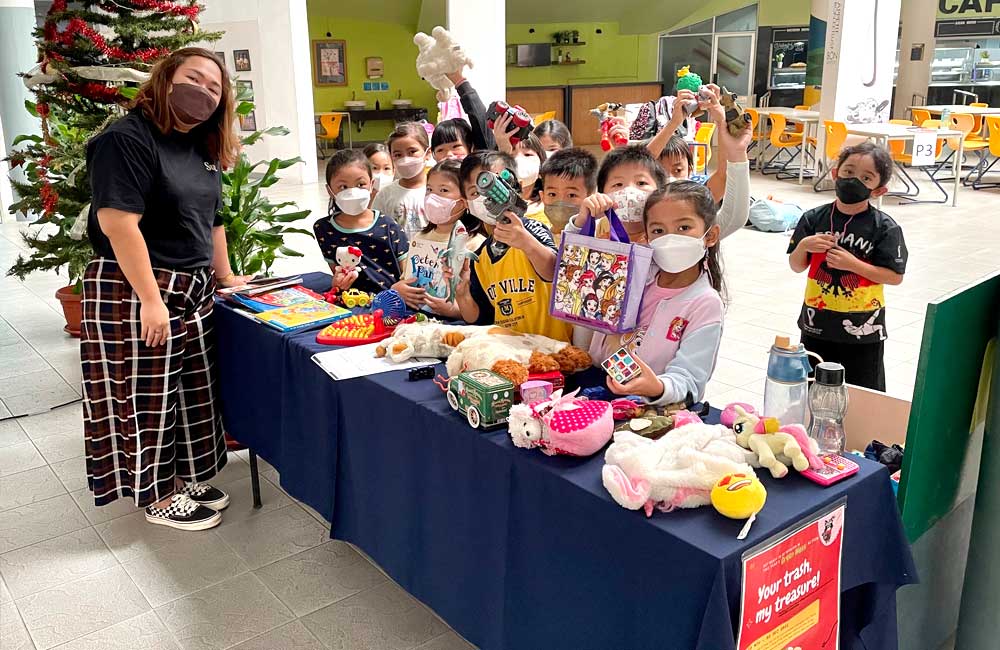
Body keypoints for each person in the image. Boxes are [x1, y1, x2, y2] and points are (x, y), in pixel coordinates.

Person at [82, 47, 246, 531]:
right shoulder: (125, 139)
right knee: (144, 395)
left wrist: (227, 276)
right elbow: (117, 223)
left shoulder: (202, 145)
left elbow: (212, 219)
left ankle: (184, 476)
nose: (204, 92)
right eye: (194, 78)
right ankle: (157, 494)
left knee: (192, 389)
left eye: (215, 89)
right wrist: (150, 301)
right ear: (166, 78)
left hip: (191, 286)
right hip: (135, 285)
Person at [583, 181, 727, 405]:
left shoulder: (705, 304)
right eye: (659, 230)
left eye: (684, 228)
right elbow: (573, 275)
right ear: (648, 237)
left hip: (646, 409)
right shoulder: (631, 273)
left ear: (710, 235)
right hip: (593, 386)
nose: (671, 239)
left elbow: (689, 380)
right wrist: (582, 221)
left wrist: (657, 387)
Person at [787, 142, 906, 391]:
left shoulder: (884, 227)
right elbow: (796, 265)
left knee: (862, 394)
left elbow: (895, 277)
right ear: (835, 173)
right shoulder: (813, 218)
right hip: (816, 325)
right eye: (848, 172)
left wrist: (854, 265)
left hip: (863, 330)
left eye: (866, 178)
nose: (854, 181)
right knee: (813, 390)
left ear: (878, 190)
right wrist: (804, 246)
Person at [451, 151, 572, 342]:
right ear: (466, 203)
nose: (485, 197)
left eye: (493, 185)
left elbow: (554, 271)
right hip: (510, 353)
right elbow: (480, 318)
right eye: (475, 193)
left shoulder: (532, 229)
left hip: (554, 350)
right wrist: (462, 294)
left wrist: (526, 242)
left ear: (516, 186)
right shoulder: (480, 257)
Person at [394, 159, 485, 315]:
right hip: (415, 317)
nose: (432, 197)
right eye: (429, 189)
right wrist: (398, 289)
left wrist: (454, 311)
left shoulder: (475, 244)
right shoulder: (420, 237)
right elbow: (406, 279)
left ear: (464, 200)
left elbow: (481, 305)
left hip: (454, 326)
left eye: (443, 190)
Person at [314, 149, 408, 294]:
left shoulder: (388, 226)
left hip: (390, 302)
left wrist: (399, 290)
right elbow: (336, 271)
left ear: (371, 184)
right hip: (350, 302)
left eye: (360, 184)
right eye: (343, 187)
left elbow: (408, 275)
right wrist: (338, 281)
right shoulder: (324, 228)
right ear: (330, 190)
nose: (352, 192)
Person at [371, 122, 430, 239]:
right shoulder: (385, 195)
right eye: (398, 154)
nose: (405, 159)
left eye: (412, 152)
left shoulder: (437, 192)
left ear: (427, 153)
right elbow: (376, 230)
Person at [538, 147, 598, 239]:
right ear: (542, 197)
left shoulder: (601, 237)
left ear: (591, 196)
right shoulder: (535, 238)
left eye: (571, 195)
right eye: (552, 194)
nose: (560, 202)